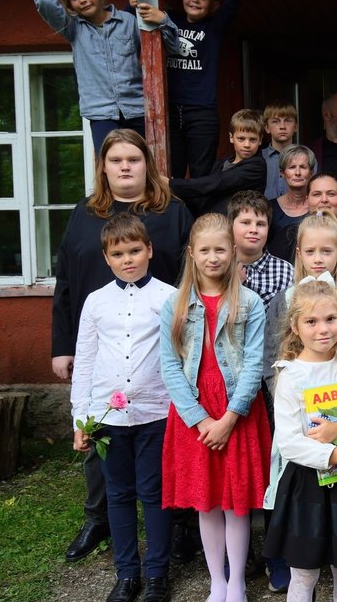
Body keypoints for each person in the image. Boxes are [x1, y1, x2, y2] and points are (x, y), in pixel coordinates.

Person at [51, 129, 193, 564]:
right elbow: (67, 281)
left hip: (159, 350)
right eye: (116, 160)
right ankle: (99, 518)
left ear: (147, 164)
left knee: (162, 443)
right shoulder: (84, 213)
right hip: (101, 345)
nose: (125, 166)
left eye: (133, 158)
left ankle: (179, 524)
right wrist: (62, 345)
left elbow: (191, 273)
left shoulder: (172, 213)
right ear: (104, 167)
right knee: (100, 437)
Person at [159, 213, 271, 602]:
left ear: (233, 252)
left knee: (237, 502)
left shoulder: (250, 302)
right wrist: (200, 418)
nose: (212, 257)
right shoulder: (172, 304)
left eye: (220, 249)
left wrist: (228, 418)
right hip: (194, 411)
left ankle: (237, 581)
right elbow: (170, 366)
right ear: (191, 253)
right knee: (207, 501)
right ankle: (217, 582)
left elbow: (255, 362)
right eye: (204, 250)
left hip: (236, 409)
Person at [70, 214, 178, 602]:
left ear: (149, 250)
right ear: (107, 257)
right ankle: (126, 573)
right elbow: (85, 359)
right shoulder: (96, 302)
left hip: (156, 413)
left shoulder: (169, 297)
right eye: (119, 253)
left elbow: (180, 356)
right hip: (108, 416)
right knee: (118, 494)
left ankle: (157, 574)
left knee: (153, 492)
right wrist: (80, 418)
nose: (128, 259)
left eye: (135, 250)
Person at [263, 279, 337, 602]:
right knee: (304, 574)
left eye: (330, 319)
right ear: (295, 326)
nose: (323, 329)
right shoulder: (291, 375)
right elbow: (288, 442)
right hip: (308, 485)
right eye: (311, 322)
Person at [34, 0, 179, 148]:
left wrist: (163, 20)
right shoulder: (73, 28)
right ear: (69, 5)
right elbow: (44, 1)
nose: (82, 0)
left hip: (137, 109)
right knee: (110, 166)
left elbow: (171, 46)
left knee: (144, 164)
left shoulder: (128, 22)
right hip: (101, 114)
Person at [263, 212, 337, 388]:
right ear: (299, 253)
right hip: (297, 402)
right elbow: (272, 361)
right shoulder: (283, 301)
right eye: (310, 251)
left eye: (326, 251)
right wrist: (284, 397)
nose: (318, 259)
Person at [163, 0, 255, 178]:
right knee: (170, 169)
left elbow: (231, 5)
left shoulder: (213, 28)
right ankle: (174, 211)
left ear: (213, 5)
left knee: (201, 171)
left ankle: (199, 213)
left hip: (201, 110)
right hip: (170, 109)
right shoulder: (169, 20)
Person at [170, 109, 267, 217]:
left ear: (260, 140)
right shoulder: (222, 163)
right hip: (211, 222)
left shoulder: (257, 166)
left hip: (237, 224)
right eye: (241, 138)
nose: (247, 144)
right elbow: (205, 195)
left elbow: (217, 182)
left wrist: (172, 184)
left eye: (252, 139)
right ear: (231, 137)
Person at [228, 190, 293, 306]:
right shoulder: (218, 266)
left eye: (260, 224)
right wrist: (231, 284)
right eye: (246, 222)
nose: (254, 230)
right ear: (230, 226)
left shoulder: (285, 272)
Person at [266, 145, 315, 263]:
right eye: (292, 167)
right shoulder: (269, 208)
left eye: (303, 167)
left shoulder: (318, 207)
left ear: (311, 172)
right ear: (282, 172)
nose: (297, 172)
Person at [262, 101, 298, 200]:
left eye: (288, 120)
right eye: (276, 121)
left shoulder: (306, 157)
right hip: (264, 212)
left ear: (296, 126)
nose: (282, 126)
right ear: (267, 128)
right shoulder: (259, 158)